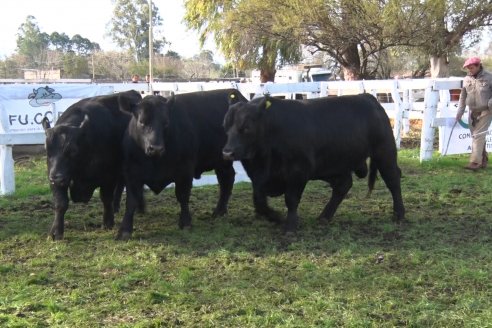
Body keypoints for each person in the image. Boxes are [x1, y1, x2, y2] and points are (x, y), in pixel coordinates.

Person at [455, 57, 492, 171]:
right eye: (468, 68)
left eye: (471, 68)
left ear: (478, 66)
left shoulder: (489, 77)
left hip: (487, 110)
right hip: (472, 111)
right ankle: (483, 158)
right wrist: (460, 112)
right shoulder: (466, 79)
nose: (469, 70)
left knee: (478, 135)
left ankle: (475, 162)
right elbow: (463, 96)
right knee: (477, 136)